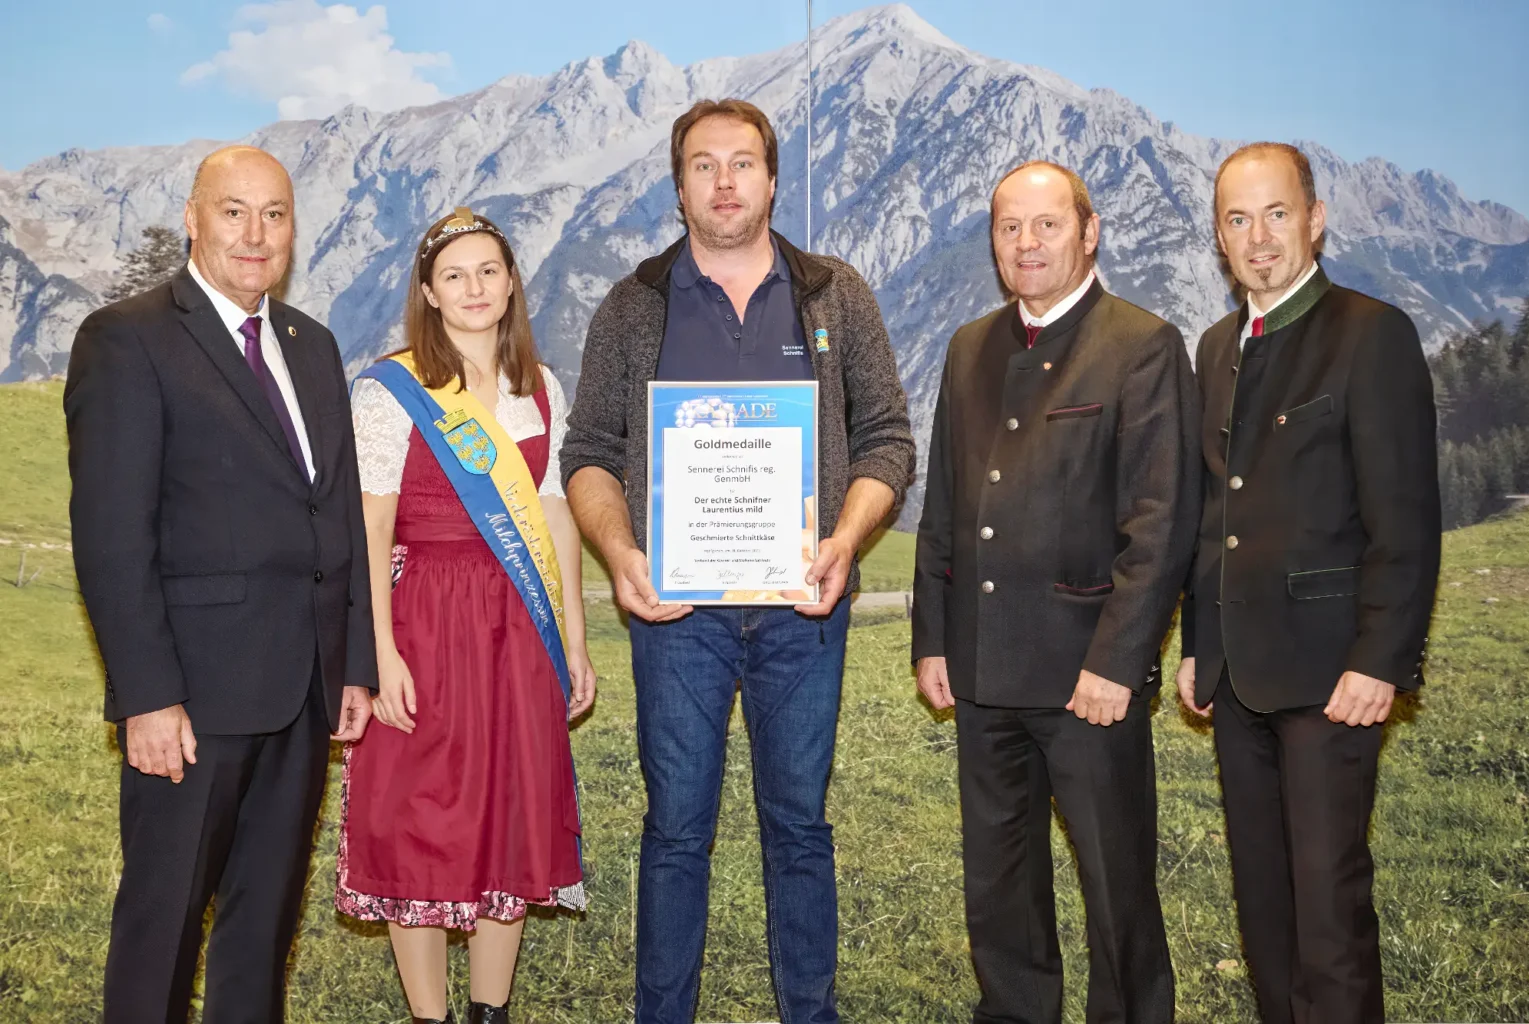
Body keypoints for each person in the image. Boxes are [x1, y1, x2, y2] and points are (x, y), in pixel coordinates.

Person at [560, 99, 914, 1024]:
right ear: (679, 187)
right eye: (705, 165)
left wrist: (846, 538)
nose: (725, 182)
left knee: (799, 829)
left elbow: (886, 438)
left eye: (743, 163)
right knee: (676, 831)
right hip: (679, 618)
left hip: (805, 610)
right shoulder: (633, 303)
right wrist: (622, 550)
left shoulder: (835, 293)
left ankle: (812, 1013)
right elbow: (590, 450)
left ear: (771, 177)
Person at [64, 145, 376, 1022]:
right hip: (192, 703)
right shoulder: (127, 338)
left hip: (303, 695)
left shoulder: (310, 345)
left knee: (262, 929)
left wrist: (352, 663)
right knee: (162, 929)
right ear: (194, 218)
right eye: (234, 211)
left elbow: (338, 514)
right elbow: (112, 540)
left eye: (274, 214)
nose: (255, 233)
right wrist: (147, 697)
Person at [912, 161, 1200, 1024]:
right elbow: (946, 508)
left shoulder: (1141, 345)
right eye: (1009, 228)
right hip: (984, 668)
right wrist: (933, 637)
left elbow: (1162, 523)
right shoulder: (970, 346)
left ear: (1089, 230)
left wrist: (1118, 662)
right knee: (998, 883)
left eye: (1045, 225)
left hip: (1089, 680)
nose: (1026, 244)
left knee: (1117, 891)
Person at [1175, 143, 1440, 1024]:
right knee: (1265, 910)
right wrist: (1198, 647)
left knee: (1329, 912)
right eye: (1238, 220)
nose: (1258, 239)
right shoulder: (1216, 349)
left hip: (1335, 680)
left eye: (1276, 214)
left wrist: (1382, 660)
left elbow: (1404, 523)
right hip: (1238, 679)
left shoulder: (1373, 333)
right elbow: (1215, 515)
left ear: (1316, 218)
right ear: (1219, 238)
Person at [335, 208, 595, 1024]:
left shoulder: (541, 388)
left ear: (512, 281)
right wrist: (378, 652)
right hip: (425, 619)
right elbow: (372, 528)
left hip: (519, 625)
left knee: (510, 808)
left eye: (489, 271)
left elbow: (555, 518)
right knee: (422, 814)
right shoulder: (391, 390)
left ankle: (491, 1011)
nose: (474, 288)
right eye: (455, 275)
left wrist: (577, 642)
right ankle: (429, 1018)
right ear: (428, 292)